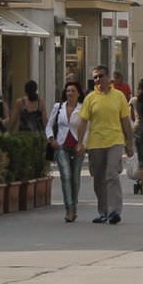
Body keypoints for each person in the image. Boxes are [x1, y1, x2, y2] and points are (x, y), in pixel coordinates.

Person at [79, 66, 133, 224]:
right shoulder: (90, 98)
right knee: (99, 178)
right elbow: (83, 121)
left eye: (100, 76)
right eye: (95, 77)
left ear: (109, 78)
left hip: (115, 140)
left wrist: (129, 142)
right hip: (95, 142)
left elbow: (125, 121)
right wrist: (79, 142)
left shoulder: (119, 96)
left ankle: (114, 210)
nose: (97, 80)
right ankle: (103, 211)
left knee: (111, 174)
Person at [46, 80, 86, 222]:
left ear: (78, 93)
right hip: (61, 145)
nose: (70, 93)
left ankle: (74, 206)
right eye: (68, 91)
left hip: (77, 146)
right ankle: (69, 208)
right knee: (66, 176)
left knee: (75, 178)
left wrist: (83, 144)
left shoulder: (83, 108)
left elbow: (88, 127)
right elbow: (49, 125)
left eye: (73, 91)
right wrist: (51, 139)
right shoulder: (58, 107)